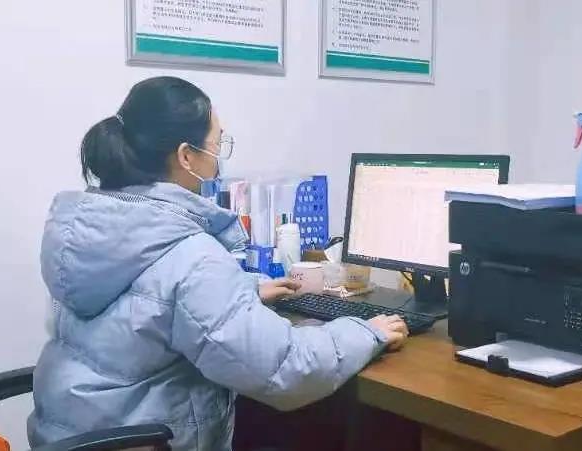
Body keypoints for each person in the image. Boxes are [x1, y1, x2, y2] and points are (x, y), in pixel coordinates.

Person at [27, 76, 409, 451]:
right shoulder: (190, 255)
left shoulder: (97, 231)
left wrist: (243, 291)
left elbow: (144, 308)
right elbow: (284, 368)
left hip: (71, 434)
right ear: (186, 156)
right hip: (143, 439)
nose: (219, 155)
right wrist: (366, 332)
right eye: (217, 142)